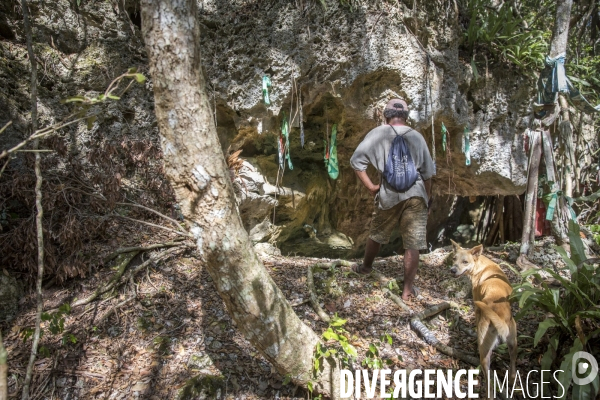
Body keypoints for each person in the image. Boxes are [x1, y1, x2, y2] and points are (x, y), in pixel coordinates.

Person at [349, 98, 434, 301]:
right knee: (413, 242)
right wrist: (427, 200)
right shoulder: (417, 137)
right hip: (416, 193)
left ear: (385, 115)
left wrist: (371, 187)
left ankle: (366, 268)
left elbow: (356, 161)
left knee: (378, 232)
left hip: (389, 193)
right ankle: (407, 291)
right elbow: (428, 174)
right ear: (406, 116)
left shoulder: (378, 133)